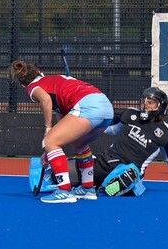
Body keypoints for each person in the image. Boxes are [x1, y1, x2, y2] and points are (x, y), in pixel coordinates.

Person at [39, 87, 168, 197]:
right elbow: (106, 127)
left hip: (128, 169)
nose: (145, 104)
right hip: (105, 162)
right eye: (144, 100)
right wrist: (80, 120)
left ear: (161, 106)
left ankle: (125, 183)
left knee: (130, 173)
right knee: (59, 174)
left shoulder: (166, 134)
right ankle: (98, 185)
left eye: (151, 102)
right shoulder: (130, 114)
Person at [11, 60, 114, 204]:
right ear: (39, 72)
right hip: (106, 107)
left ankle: (64, 191)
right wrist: (49, 151)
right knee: (79, 144)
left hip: (88, 106)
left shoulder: (33, 87)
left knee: (49, 141)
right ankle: (87, 189)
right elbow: (63, 126)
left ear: (23, 84)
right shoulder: (54, 81)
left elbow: (46, 100)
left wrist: (48, 130)